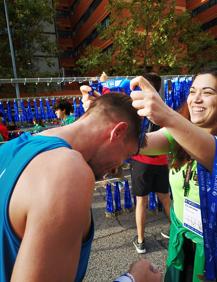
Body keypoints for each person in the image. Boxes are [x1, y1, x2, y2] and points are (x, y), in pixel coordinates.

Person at [0, 92, 162, 282]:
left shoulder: (10, 148)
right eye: (126, 155)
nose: (117, 167)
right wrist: (132, 279)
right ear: (117, 132)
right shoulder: (67, 171)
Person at [129, 67, 217, 281]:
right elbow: (141, 144)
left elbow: (211, 152)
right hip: (181, 238)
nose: (196, 99)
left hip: (211, 246)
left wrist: (166, 114)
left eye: (207, 92)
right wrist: (109, 115)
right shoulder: (177, 132)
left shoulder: (185, 131)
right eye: (192, 91)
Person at [130, 73, 170, 254]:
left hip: (141, 161)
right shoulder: (164, 107)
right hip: (161, 161)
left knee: (141, 201)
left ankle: (140, 241)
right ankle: (177, 231)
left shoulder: (139, 107)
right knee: (165, 198)